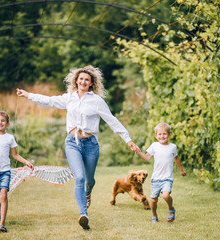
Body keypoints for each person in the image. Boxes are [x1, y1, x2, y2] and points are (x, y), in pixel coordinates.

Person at [16, 65, 140, 230]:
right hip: (72, 143)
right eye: (80, 79)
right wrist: (28, 95)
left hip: (91, 145)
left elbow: (112, 120)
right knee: (79, 177)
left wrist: (128, 140)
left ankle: (88, 193)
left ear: (91, 83)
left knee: (89, 180)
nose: (83, 81)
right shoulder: (70, 98)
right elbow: (49, 101)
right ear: (76, 81)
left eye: (86, 80)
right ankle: (84, 214)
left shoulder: (96, 101)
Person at [137, 123, 186, 223]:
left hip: (167, 178)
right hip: (156, 178)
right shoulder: (154, 146)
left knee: (165, 195)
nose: (162, 136)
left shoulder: (172, 147)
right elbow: (146, 157)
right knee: (154, 200)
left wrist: (181, 170)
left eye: (164, 134)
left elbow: (176, 158)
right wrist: (138, 151)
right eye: (159, 134)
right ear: (156, 136)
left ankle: (170, 208)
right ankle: (154, 215)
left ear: (169, 135)